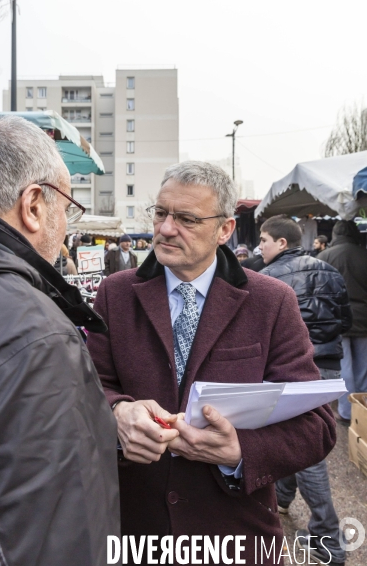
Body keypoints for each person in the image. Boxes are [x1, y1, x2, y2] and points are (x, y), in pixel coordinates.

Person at [87, 161, 335, 566]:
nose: (166, 229)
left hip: (235, 535)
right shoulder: (116, 294)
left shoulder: (271, 301)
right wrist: (118, 413)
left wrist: (241, 451)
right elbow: (91, 387)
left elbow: (318, 425)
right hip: (134, 532)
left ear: (224, 230)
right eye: (161, 213)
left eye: (186, 218)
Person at [0, 116, 120, 565]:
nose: (67, 227)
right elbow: (50, 540)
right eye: (67, 207)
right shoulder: (36, 335)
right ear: (33, 205)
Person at [259, 214, 351, 566]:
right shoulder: (329, 269)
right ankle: (282, 496)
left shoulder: (267, 278)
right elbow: (344, 319)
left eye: (264, 240)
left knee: (307, 450)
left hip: (294, 372)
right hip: (328, 366)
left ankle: (329, 538)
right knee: (295, 436)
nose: (260, 246)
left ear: (282, 243)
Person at [319, 220, 367, 422]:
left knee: (344, 368)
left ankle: (347, 413)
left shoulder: (324, 257)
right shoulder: (364, 254)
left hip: (336, 318)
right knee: (365, 367)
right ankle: (364, 408)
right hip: (364, 318)